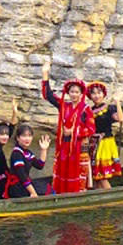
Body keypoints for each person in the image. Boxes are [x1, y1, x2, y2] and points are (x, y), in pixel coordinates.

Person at [41, 61, 95, 194]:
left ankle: (78, 195)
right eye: (72, 92)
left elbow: (91, 128)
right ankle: (62, 194)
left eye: (77, 92)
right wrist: (45, 73)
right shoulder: (64, 106)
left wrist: (74, 131)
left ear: (81, 93)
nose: (74, 94)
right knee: (62, 172)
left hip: (78, 146)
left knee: (78, 175)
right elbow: (48, 95)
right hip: (64, 146)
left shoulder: (85, 109)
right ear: (68, 92)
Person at [87, 82, 123, 189]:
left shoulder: (109, 108)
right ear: (90, 96)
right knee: (96, 176)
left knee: (102, 175)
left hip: (105, 144)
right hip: (94, 144)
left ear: (103, 94)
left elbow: (120, 119)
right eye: (93, 93)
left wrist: (117, 102)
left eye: (99, 93)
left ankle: (111, 196)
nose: (96, 96)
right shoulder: (89, 110)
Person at [6, 122, 51, 197]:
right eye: (24, 136)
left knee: (49, 189)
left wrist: (44, 150)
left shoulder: (27, 152)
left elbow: (39, 165)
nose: (27, 139)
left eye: (29, 136)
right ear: (18, 138)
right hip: (17, 187)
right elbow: (22, 176)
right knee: (47, 192)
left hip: (26, 184)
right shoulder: (17, 154)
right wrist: (33, 193)